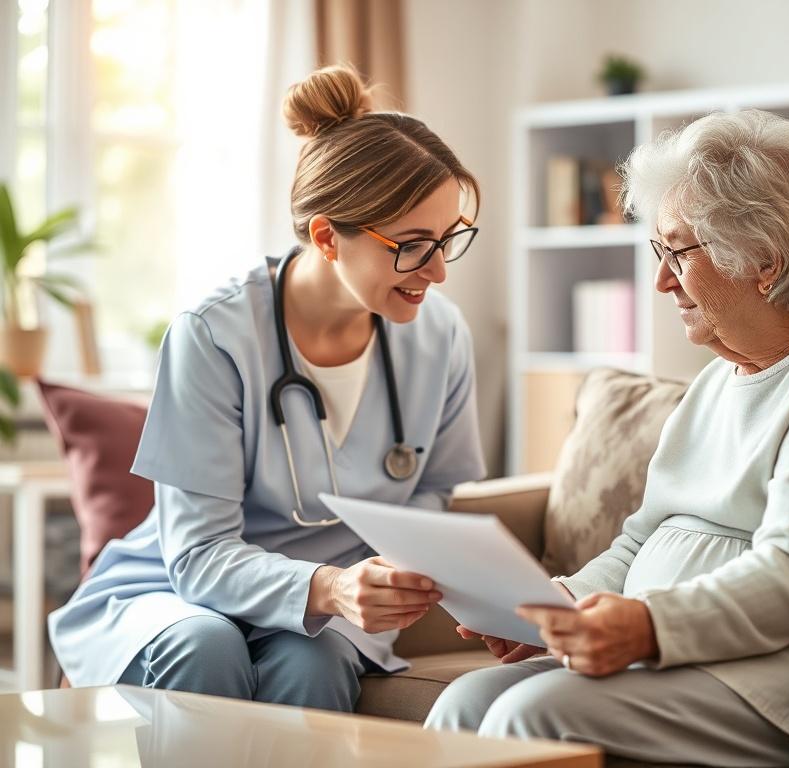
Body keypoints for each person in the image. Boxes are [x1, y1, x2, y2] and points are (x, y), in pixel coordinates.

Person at [426, 109, 789, 766]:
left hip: (777, 678)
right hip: (680, 657)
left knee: (530, 715)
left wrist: (649, 627)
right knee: (463, 704)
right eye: (659, 251)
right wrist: (559, 605)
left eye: (677, 252)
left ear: (765, 260)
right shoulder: (721, 377)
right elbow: (643, 539)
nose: (660, 280)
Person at [49, 64, 486, 712]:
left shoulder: (440, 338)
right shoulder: (214, 338)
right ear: (325, 236)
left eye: (450, 240)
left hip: (329, 607)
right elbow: (197, 554)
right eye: (415, 245)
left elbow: (435, 490)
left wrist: (391, 572)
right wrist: (331, 586)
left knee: (314, 661)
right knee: (206, 646)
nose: (440, 271)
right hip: (176, 589)